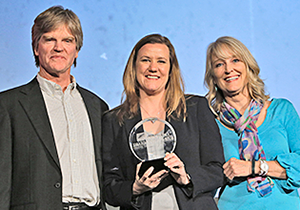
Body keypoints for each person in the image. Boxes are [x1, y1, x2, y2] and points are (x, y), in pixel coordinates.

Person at [0, 6, 108, 210]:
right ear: (36, 47)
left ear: (76, 50)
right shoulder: (8, 106)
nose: (59, 47)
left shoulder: (98, 106)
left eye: (68, 40)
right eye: (50, 39)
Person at [102, 34, 224, 210]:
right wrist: (134, 188)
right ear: (133, 67)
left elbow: (217, 170)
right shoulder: (114, 120)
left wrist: (186, 176)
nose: (153, 68)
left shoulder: (196, 108)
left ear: (171, 68)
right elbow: (109, 186)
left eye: (161, 61)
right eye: (145, 60)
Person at [204, 36, 300, 209]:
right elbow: (207, 180)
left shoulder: (281, 110)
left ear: (248, 66)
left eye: (235, 60)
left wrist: (254, 167)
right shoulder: (211, 125)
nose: (228, 69)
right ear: (213, 77)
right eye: (219, 64)